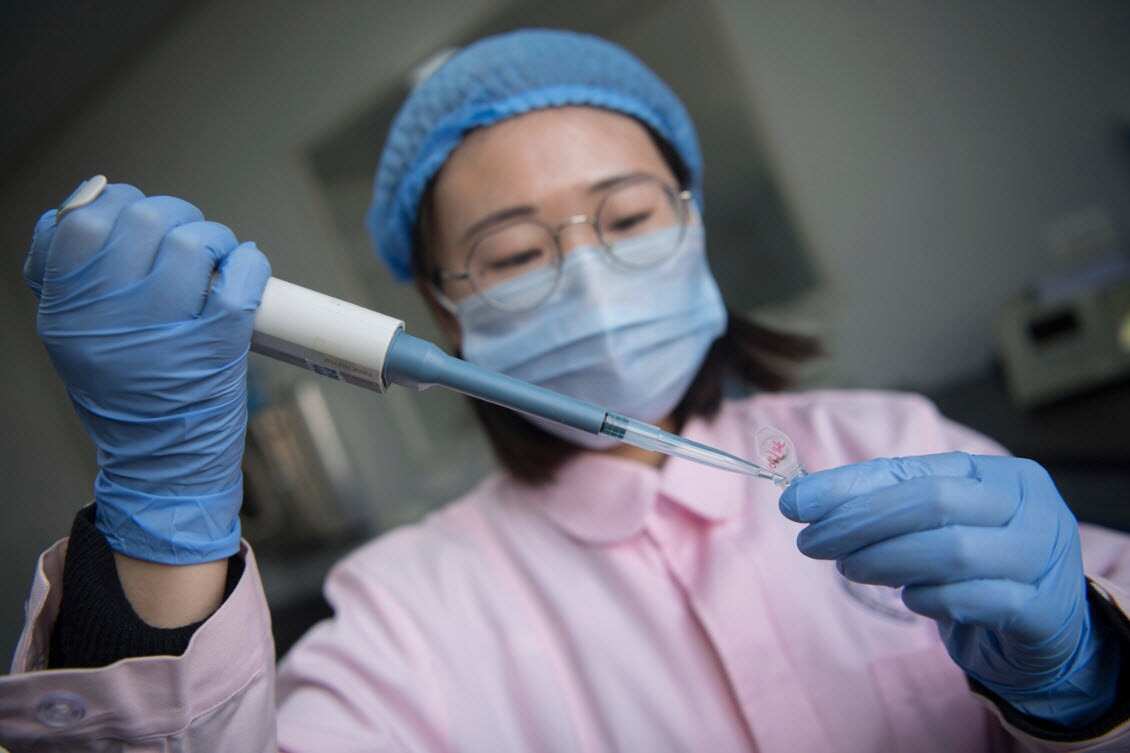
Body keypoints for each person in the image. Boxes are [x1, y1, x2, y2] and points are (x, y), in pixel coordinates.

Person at [1, 28, 1129, 752]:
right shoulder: (405, 618)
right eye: (510, 252)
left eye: (628, 217)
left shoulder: (885, 435)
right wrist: (160, 516)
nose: (585, 274)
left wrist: (1083, 678)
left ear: (691, 225)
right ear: (449, 313)